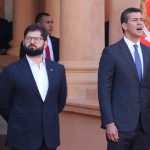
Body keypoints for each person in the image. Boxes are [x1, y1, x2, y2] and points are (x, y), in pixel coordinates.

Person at [0, 24, 67, 150]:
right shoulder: (11, 71)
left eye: (36, 39)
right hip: (21, 136)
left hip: (49, 137)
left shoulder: (58, 69)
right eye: (28, 38)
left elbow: (60, 101)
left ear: (45, 44)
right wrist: (19, 119)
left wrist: (45, 116)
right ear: (24, 42)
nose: (32, 42)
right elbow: (3, 104)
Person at [98, 7, 150, 150]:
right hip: (119, 127)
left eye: (141, 20)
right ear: (124, 26)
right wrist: (109, 122)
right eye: (135, 20)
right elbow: (104, 90)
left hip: (144, 127)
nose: (140, 23)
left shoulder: (148, 52)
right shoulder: (111, 52)